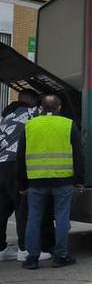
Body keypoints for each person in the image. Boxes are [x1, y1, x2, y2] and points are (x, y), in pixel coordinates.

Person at [17, 95, 84, 269]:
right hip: (63, 181)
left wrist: (23, 184)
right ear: (59, 107)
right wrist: (79, 180)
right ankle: (61, 256)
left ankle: (32, 258)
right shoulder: (68, 125)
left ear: (41, 108)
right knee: (62, 217)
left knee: (34, 218)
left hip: (36, 182)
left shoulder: (29, 126)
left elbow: (20, 157)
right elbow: (79, 155)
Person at [0, 89, 53, 262]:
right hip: (16, 163)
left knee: (1, 209)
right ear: (31, 100)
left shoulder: (5, 116)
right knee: (23, 208)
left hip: (0, 163)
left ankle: (1, 249)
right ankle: (25, 249)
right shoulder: (32, 112)